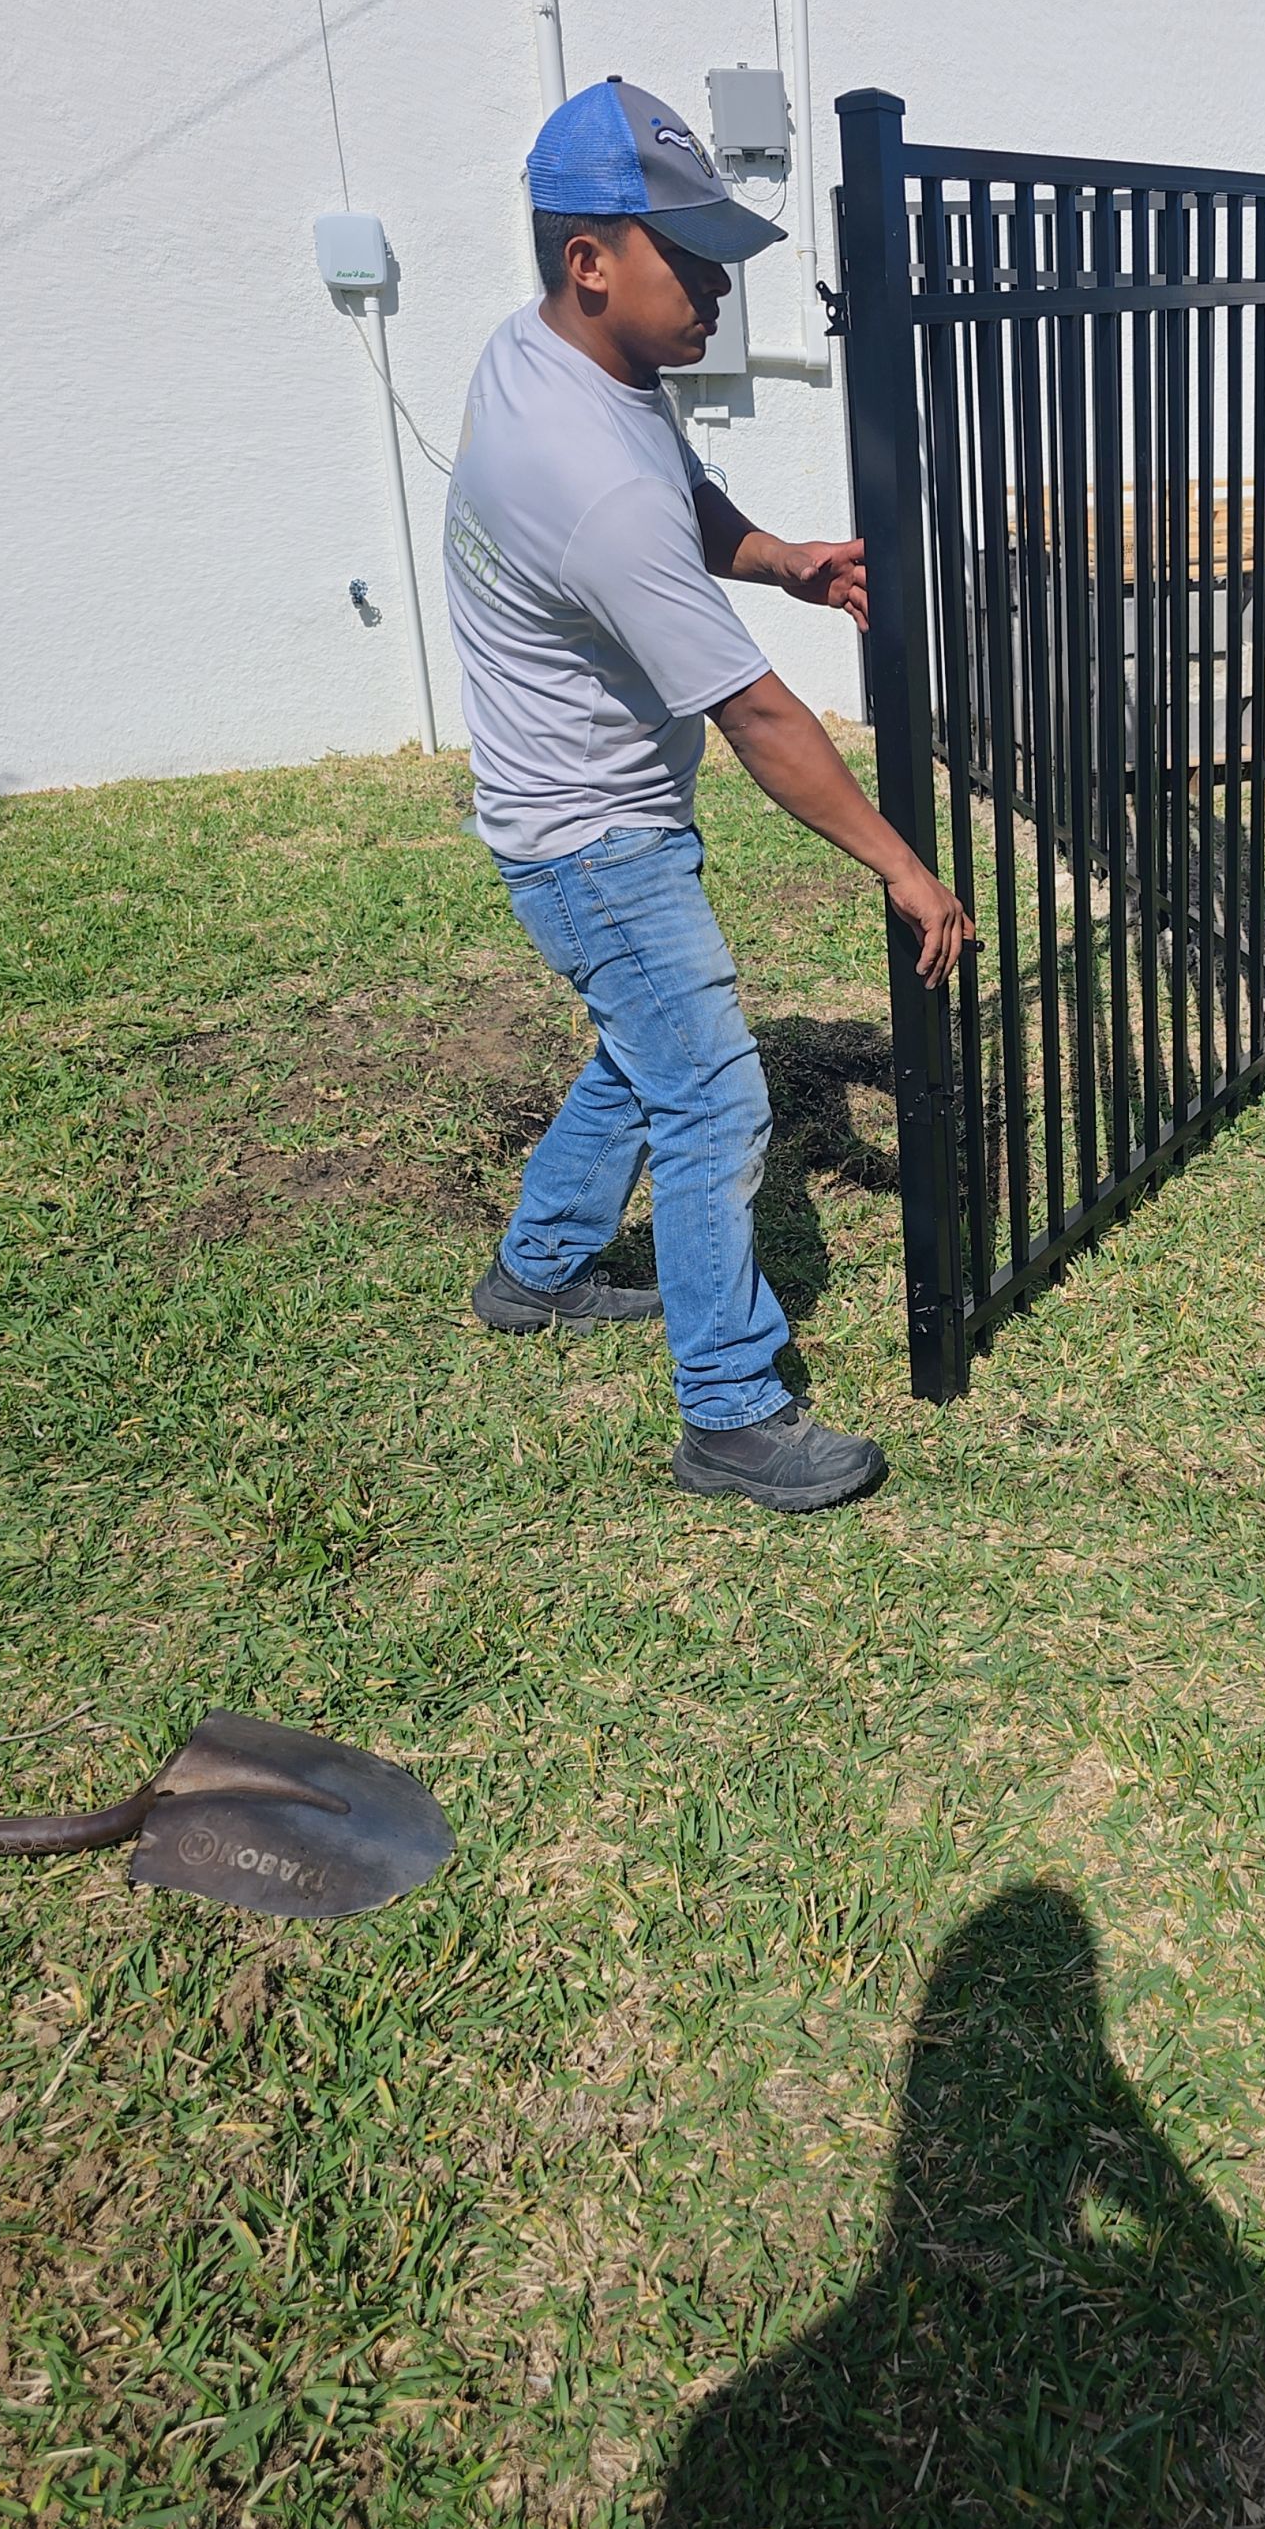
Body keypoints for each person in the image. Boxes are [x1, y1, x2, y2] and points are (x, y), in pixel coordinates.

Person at [441, 77, 971, 1512]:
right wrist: (901, 866)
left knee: (647, 1053)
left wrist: (782, 554)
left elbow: (682, 494)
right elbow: (756, 713)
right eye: (690, 253)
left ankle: (535, 1272)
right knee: (720, 1100)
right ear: (589, 261)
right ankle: (731, 1414)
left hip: (580, 814)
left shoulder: (553, 361)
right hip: (592, 840)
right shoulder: (581, 472)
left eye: (724, 252)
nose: (721, 285)